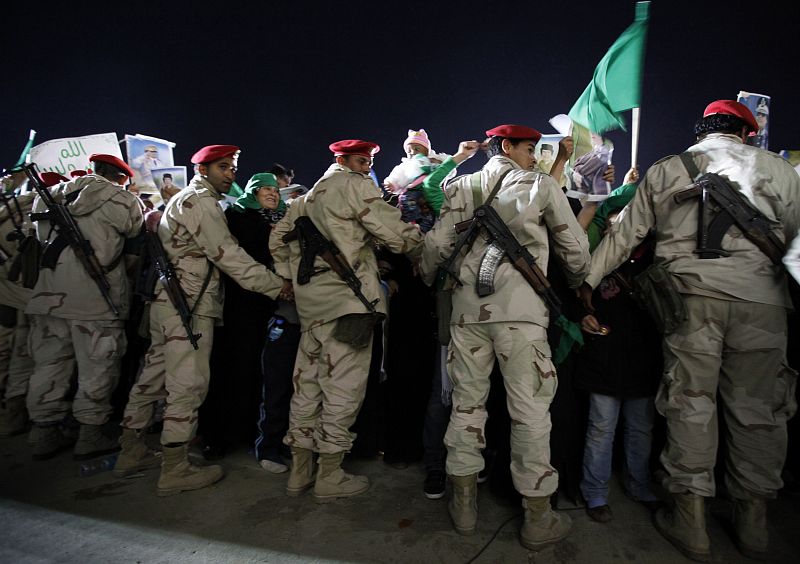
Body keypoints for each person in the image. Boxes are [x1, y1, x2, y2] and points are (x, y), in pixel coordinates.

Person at [579, 100, 800, 561]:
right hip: (762, 303)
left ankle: (691, 521)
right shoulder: (779, 170)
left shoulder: (667, 169)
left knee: (690, 405)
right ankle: (753, 524)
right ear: (746, 133)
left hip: (689, 304)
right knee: (758, 410)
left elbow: (626, 236)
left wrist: (587, 281)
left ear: (702, 131)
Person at [419, 124, 590, 550]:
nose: (535, 157)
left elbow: (435, 247)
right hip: (521, 315)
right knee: (530, 412)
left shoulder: (459, 187)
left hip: (466, 316)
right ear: (506, 146)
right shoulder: (537, 185)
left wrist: (427, 277)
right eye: (529, 148)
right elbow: (574, 248)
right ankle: (537, 517)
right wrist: (581, 278)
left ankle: (463, 506)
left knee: (466, 406)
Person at [116, 145, 290, 496]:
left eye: (233, 167)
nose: (230, 174)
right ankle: (175, 468)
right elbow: (228, 256)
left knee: (153, 376)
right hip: (189, 305)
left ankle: (130, 449)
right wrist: (277, 287)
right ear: (202, 169)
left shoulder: (187, 199)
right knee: (188, 383)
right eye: (223, 167)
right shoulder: (200, 202)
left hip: (173, 302)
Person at [269, 139, 424, 503]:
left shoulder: (302, 200)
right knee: (343, 389)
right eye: (360, 159)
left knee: (307, 388)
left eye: (369, 161)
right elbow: (394, 233)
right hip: (350, 306)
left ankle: (299, 471)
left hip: (312, 309)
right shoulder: (354, 186)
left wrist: (289, 277)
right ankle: (329, 474)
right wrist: (423, 248)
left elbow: (277, 239)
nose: (366, 166)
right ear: (341, 159)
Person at [24, 154, 144, 460]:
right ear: (122, 177)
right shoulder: (124, 201)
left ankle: (42, 432)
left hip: (49, 296)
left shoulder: (50, 195)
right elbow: (132, 247)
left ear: (93, 170)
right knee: (98, 366)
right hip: (95, 301)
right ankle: (90, 434)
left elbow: (38, 238)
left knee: (48, 365)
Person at [201, 173, 282, 460]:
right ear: (252, 193)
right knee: (232, 369)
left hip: (266, 307)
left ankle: (248, 433)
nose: (272, 194)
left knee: (256, 374)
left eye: (275, 189)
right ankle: (218, 437)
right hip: (240, 306)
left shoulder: (281, 220)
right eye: (265, 190)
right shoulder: (238, 217)